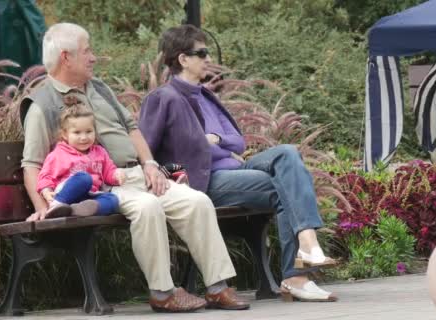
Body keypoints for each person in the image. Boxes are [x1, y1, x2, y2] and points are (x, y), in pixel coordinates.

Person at [19, 23, 249, 312]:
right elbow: (32, 164)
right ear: (66, 57)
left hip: (137, 175)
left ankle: (217, 288)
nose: (93, 57)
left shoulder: (98, 88)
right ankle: (163, 293)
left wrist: (150, 164)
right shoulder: (42, 104)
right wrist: (43, 207)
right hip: (103, 187)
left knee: (197, 201)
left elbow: (131, 128)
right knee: (148, 207)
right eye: (87, 51)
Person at [139, 24, 339, 302]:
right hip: (206, 179)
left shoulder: (207, 95)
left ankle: (307, 241)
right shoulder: (163, 98)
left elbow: (239, 142)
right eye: (202, 52)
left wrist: (216, 139)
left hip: (235, 169)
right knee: (285, 186)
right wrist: (176, 171)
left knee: (287, 153)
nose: (209, 58)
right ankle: (296, 275)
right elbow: (144, 150)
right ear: (183, 59)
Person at [32, 95, 124, 220]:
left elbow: (108, 172)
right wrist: (46, 190)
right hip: (66, 194)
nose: (84, 137)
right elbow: (46, 175)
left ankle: (79, 210)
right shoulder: (59, 154)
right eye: (77, 132)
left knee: (113, 199)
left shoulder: (99, 152)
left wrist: (116, 175)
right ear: (65, 134)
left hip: (88, 196)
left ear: (94, 132)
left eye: (88, 131)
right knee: (84, 178)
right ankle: (57, 206)